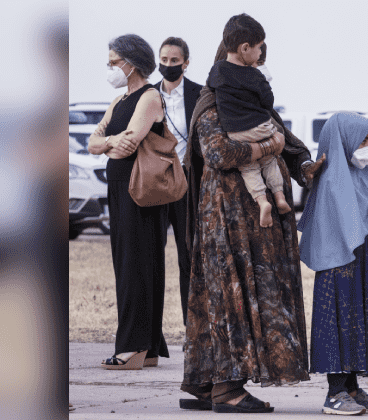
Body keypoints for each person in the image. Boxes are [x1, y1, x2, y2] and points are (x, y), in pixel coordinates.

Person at [178, 34, 326, 413]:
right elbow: (217, 152)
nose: (259, 72)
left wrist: (307, 169)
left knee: (234, 296)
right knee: (230, 296)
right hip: (228, 221)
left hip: (255, 223)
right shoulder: (212, 103)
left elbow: (290, 145)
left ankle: (209, 382)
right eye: (254, 65)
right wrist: (264, 149)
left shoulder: (254, 104)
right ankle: (227, 390)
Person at [298, 112, 368, 416]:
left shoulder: (354, 173)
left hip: (354, 261)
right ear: (345, 142)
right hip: (336, 265)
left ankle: (351, 387)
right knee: (336, 321)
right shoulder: (331, 184)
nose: (367, 146)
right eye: (362, 140)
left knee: (353, 319)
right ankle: (335, 392)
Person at [87, 34, 169, 370]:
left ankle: (133, 346)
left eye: (113, 62)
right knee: (129, 263)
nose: (109, 68)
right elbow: (93, 143)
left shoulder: (149, 97)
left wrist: (109, 142)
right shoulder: (120, 100)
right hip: (119, 186)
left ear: (131, 64)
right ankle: (146, 346)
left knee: (138, 264)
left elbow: (129, 145)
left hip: (140, 189)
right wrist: (109, 141)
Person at [207, 13, 290, 228]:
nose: (261, 52)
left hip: (235, 133)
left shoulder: (217, 71)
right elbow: (268, 101)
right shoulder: (254, 75)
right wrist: (259, 79)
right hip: (261, 128)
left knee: (249, 168)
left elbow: (211, 85)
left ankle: (262, 201)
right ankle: (279, 196)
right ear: (245, 48)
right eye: (259, 47)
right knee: (269, 159)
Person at [154, 36, 202, 330]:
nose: (168, 65)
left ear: (186, 62)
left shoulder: (199, 93)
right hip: (155, 185)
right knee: (152, 259)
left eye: (174, 60)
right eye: (164, 60)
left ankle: (192, 330)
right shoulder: (148, 95)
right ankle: (148, 336)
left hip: (187, 186)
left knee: (189, 259)